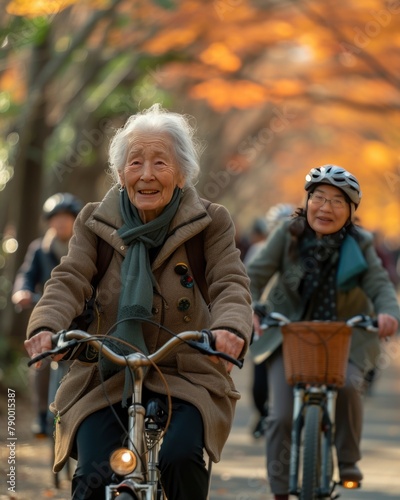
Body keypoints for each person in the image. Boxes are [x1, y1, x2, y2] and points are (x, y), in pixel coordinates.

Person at [24, 103, 253, 500]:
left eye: (160, 163)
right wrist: (45, 326)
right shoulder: (95, 221)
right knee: (92, 478)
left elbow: (230, 282)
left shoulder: (211, 222)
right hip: (107, 371)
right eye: (135, 163)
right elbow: (69, 278)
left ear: (182, 173)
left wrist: (229, 329)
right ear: (119, 173)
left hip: (186, 370)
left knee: (180, 458)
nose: (146, 175)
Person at [246, 165, 400, 500]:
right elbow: (253, 275)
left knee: (346, 385)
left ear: (350, 212)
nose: (325, 208)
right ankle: (280, 488)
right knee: (281, 415)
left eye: (337, 202)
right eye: (319, 198)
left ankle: (347, 462)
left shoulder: (360, 243)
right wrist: (249, 304)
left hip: (344, 336)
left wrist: (389, 312)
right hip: (287, 333)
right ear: (307, 200)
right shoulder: (288, 234)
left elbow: (379, 284)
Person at [12, 192, 82, 436]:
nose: (61, 222)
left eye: (66, 217)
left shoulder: (83, 247)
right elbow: (26, 275)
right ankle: (42, 414)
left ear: (76, 220)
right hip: (49, 315)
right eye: (56, 218)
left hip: (80, 318)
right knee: (41, 359)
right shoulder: (40, 249)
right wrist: (22, 290)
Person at [243, 203, 294, 439]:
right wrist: (253, 308)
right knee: (260, 371)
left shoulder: (300, 252)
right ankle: (262, 412)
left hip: (293, 322)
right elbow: (249, 281)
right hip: (264, 318)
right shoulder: (258, 250)